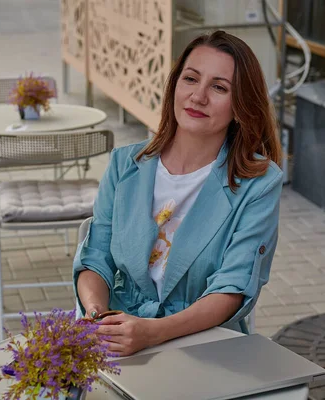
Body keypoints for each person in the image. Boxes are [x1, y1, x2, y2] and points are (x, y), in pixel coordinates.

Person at [73, 30, 283, 357]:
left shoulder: (259, 182)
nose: (198, 96)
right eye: (190, 79)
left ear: (241, 104)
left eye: (218, 87)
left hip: (203, 342)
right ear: (175, 86)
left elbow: (233, 286)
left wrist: (153, 333)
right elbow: (95, 258)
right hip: (120, 337)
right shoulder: (125, 164)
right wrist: (98, 316)